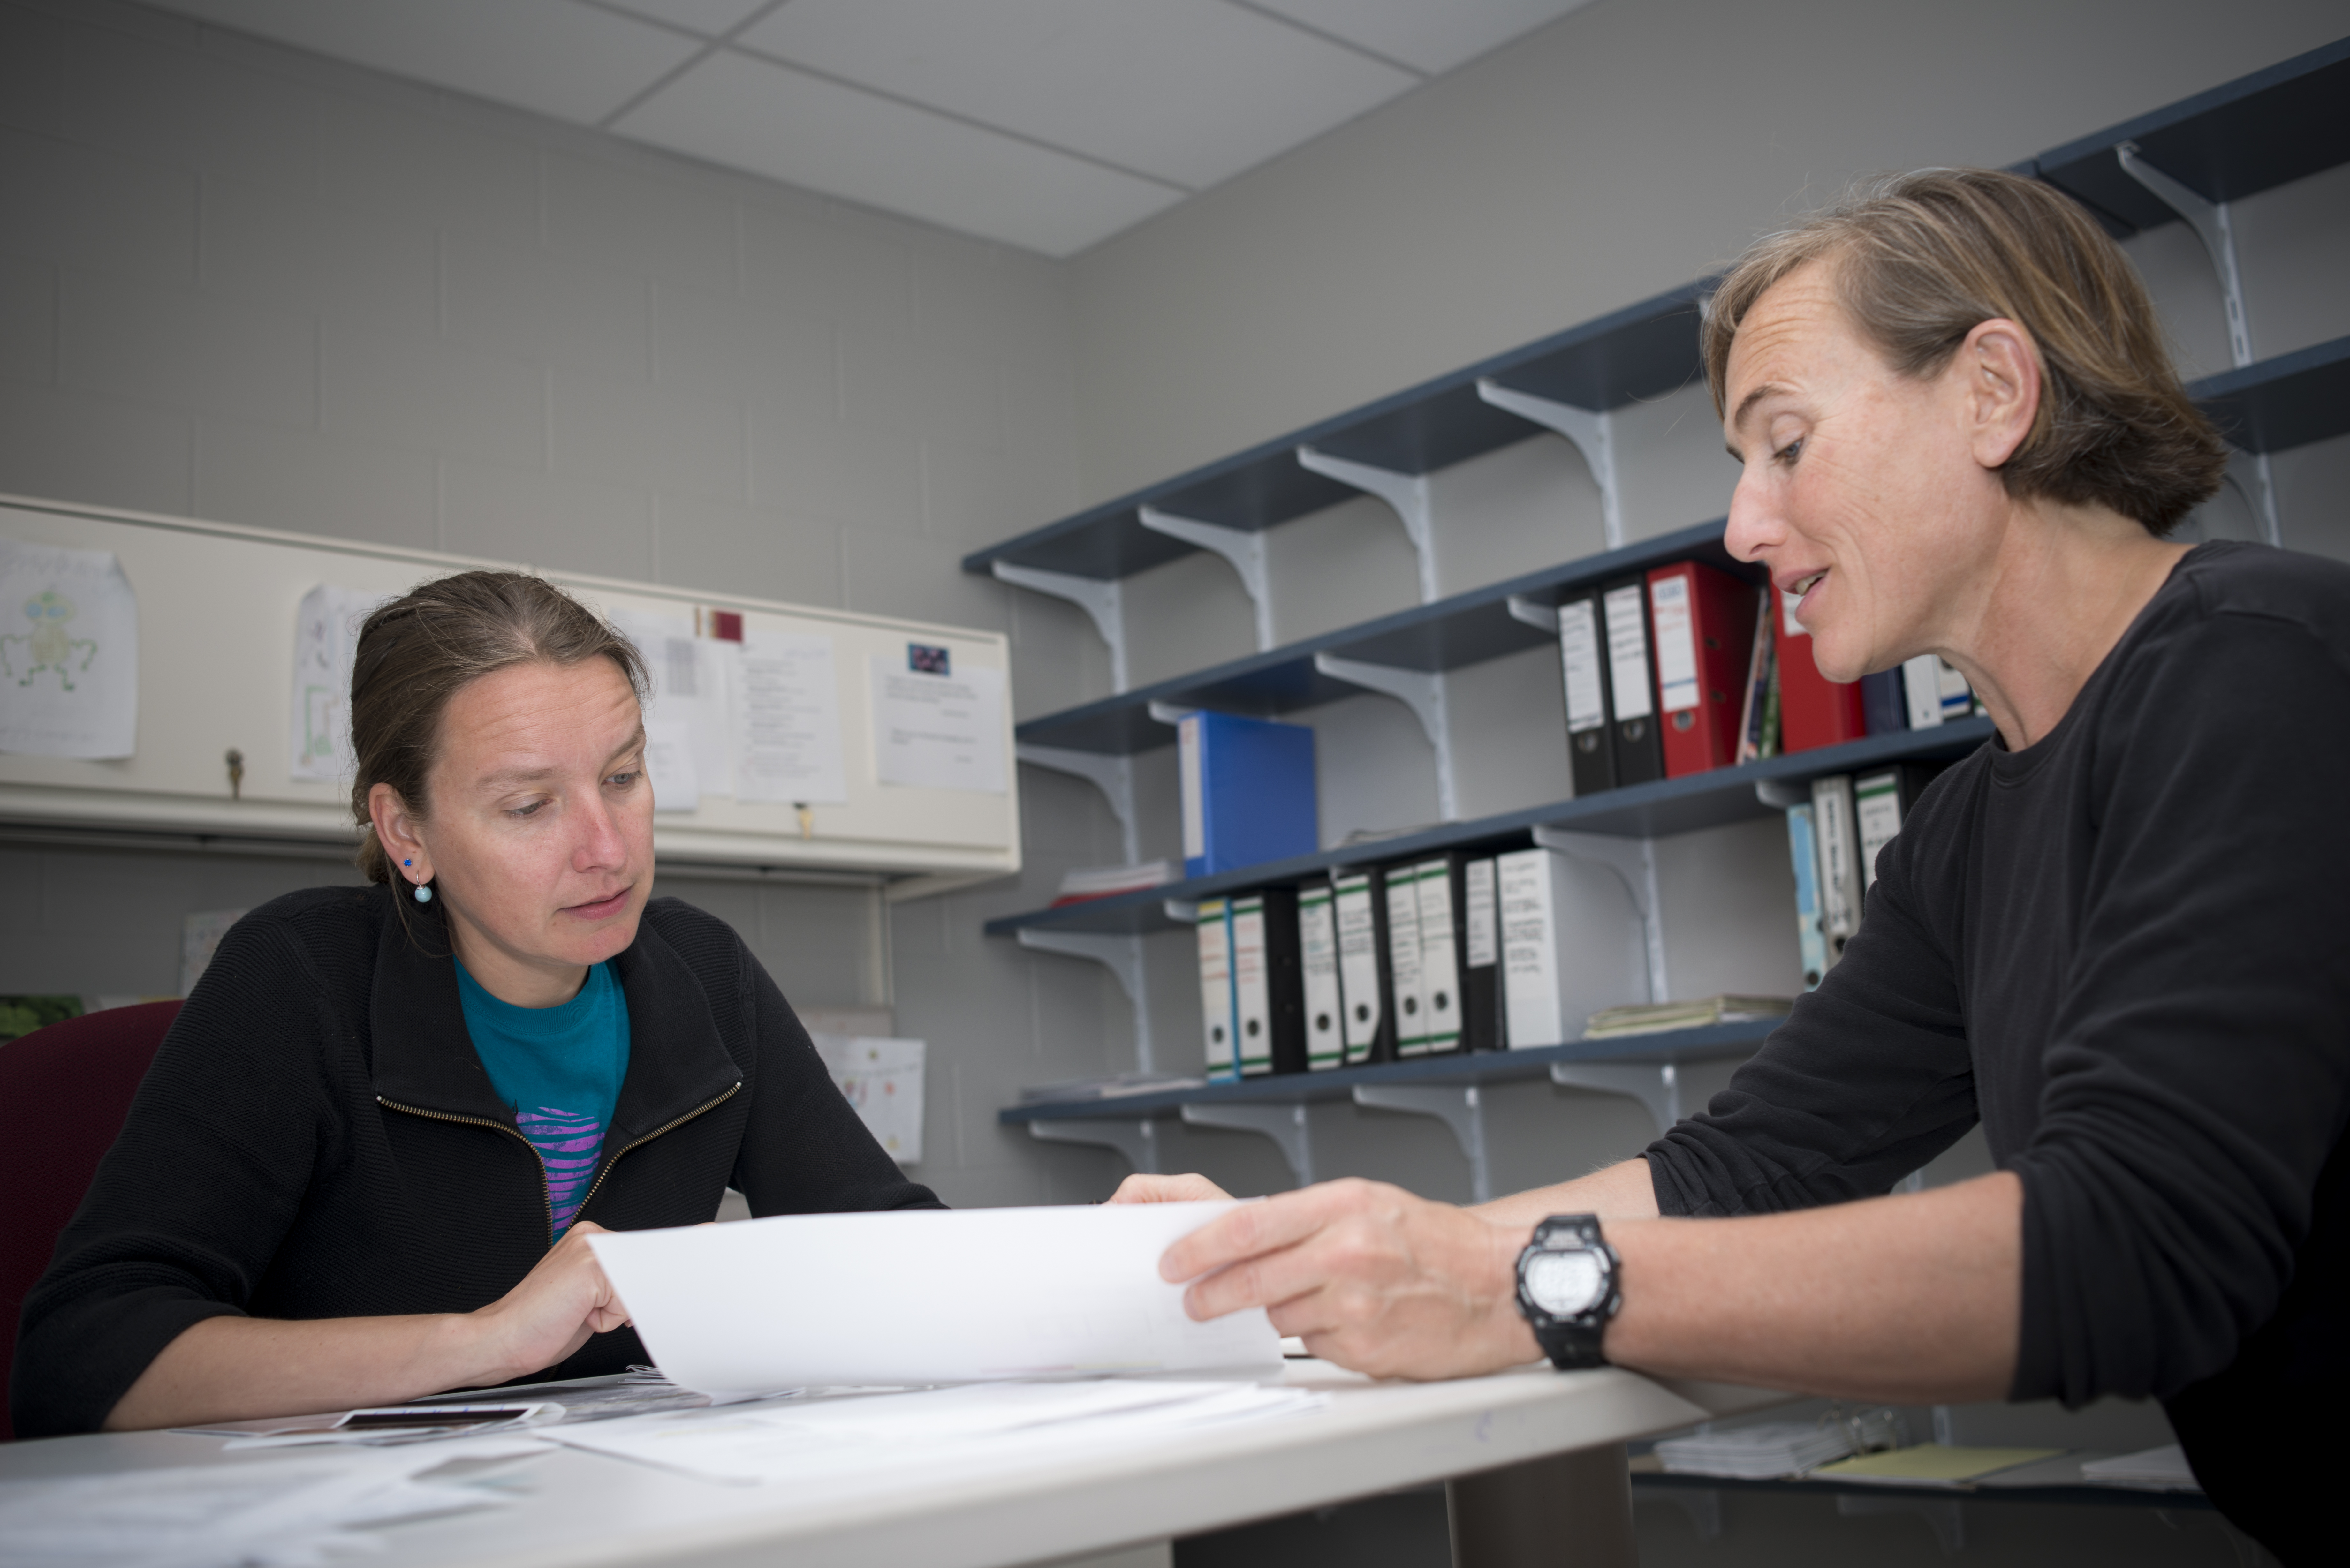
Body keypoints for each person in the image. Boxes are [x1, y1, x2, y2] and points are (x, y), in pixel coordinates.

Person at [1112, 169, 2347, 1563]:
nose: (1745, 529)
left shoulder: (2262, 665)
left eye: (1787, 443)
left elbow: (2134, 1251)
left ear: (1995, 393)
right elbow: (1750, 1165)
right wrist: (1338, 1254)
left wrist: (1518, 1282)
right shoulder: (1966, 826)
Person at [13, 572, 938, 1438]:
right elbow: (83, 1354)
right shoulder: (298, 974)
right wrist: (483, 1342)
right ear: (407, 833)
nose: (607, 850)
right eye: (531, 806)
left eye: (623, 778)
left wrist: (1074, 1265)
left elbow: (890, 1244)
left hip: (624, 1500)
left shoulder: (702, 971)